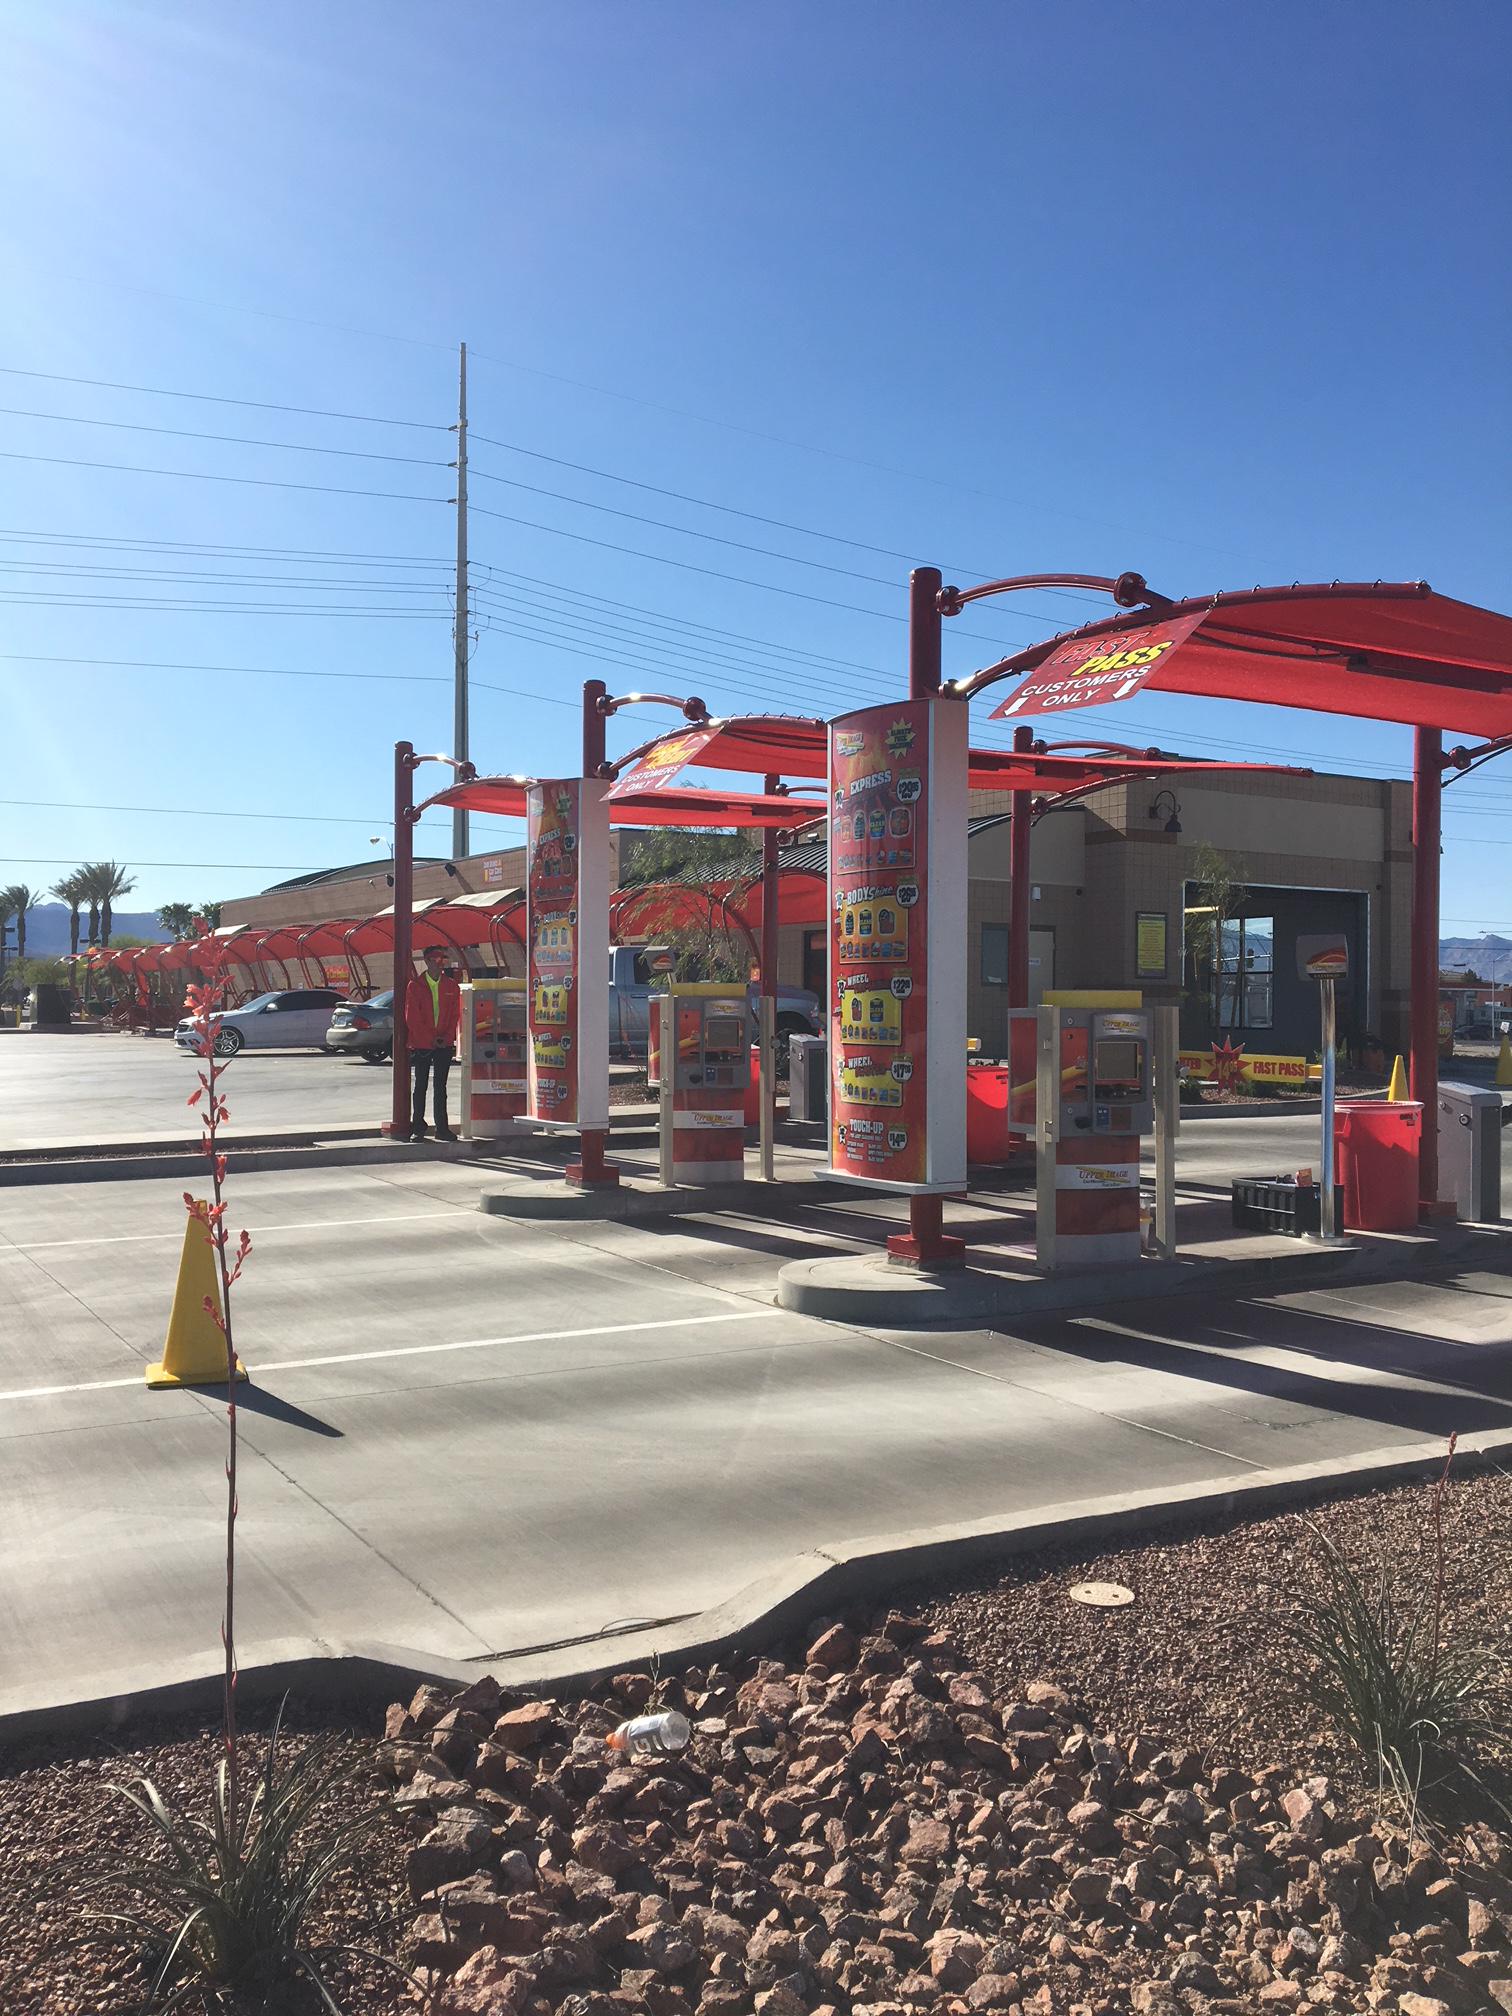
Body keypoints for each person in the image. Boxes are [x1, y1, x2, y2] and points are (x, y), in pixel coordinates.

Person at [404, 944, 462, 1140]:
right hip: (422, 1044)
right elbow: (412, 1018)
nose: (440, 963)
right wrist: (430, 1039)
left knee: (441, 1087)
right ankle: (418, 1128)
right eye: (437, 959)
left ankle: (442, 1128)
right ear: (427, 961)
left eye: (443, 959)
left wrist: (445, 1038)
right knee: (420, 1086)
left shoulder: (451, 986)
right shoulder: (415, 985)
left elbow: (455, 1015)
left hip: (443, 1044)